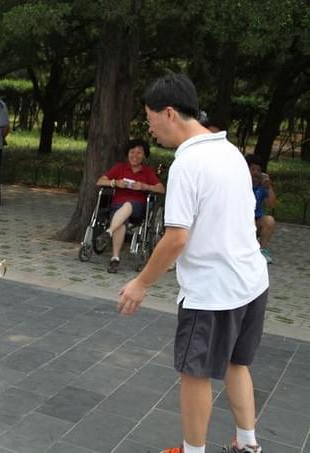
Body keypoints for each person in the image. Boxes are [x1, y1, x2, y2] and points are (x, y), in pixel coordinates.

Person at [117, 74, 269, 453]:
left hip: (213, 291)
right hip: (251, 281)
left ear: (170, 113)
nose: (150, 131)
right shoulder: (229, 151)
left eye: (150, 120)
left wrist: (140, 284)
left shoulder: (187, 163)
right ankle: (248, 445)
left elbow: (177, 237)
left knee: (194, 374)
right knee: (237, 364)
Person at [95, 139, 165, 273]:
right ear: (127, 154)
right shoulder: (119, 168)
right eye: (132, 152)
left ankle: (108, 233)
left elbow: (161, 189)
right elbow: (100, 181)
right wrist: (115, 183)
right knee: (120, 222)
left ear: (144, 156)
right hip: (117, 207)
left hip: (138, 209)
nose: (135, 155)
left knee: (127, 205)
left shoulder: (147, 172)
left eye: (139, 153)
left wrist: (144, 186)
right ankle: (115, 259)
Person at [246, 154, 278, 264]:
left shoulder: (262, 186)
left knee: (269, 220)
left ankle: (261, 250)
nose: (255, 173)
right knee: (251, 221)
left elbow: (272, 204)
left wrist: (268, 187)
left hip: (257, 220)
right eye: (253, 169)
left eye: (258, 170)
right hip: (241, 219)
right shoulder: (241, 183)